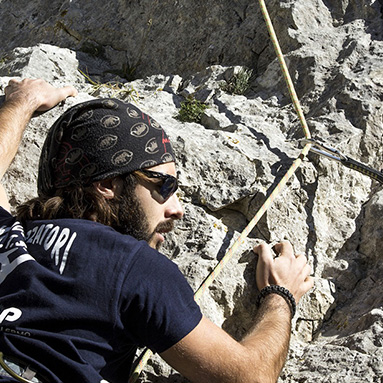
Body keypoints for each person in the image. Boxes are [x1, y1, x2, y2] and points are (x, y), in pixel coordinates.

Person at [0, 78, 313, 383]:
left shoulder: (12, 234)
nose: (177, 208)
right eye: (164, 185)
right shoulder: (132, 266)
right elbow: (251, 377)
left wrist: (21, 103)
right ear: (109, 184)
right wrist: (280, 294)